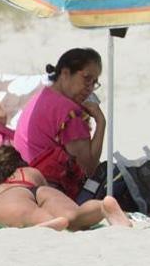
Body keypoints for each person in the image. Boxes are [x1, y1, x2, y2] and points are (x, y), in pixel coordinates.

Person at [0, 145, 130, 230]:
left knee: (31, 214)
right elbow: (40, 197)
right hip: (39, 190)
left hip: (8, 197)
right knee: (74, 214)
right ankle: (102, 207)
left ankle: (46, 222)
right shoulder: (30, 171)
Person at [13, 48, 105, 198]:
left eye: (94, 82)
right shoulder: (70, 113)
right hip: (49, 190)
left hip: (22, 180)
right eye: (86, 78)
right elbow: (88, 168)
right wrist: (101, 123)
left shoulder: (42, 96)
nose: (90, 87)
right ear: (65, 73)